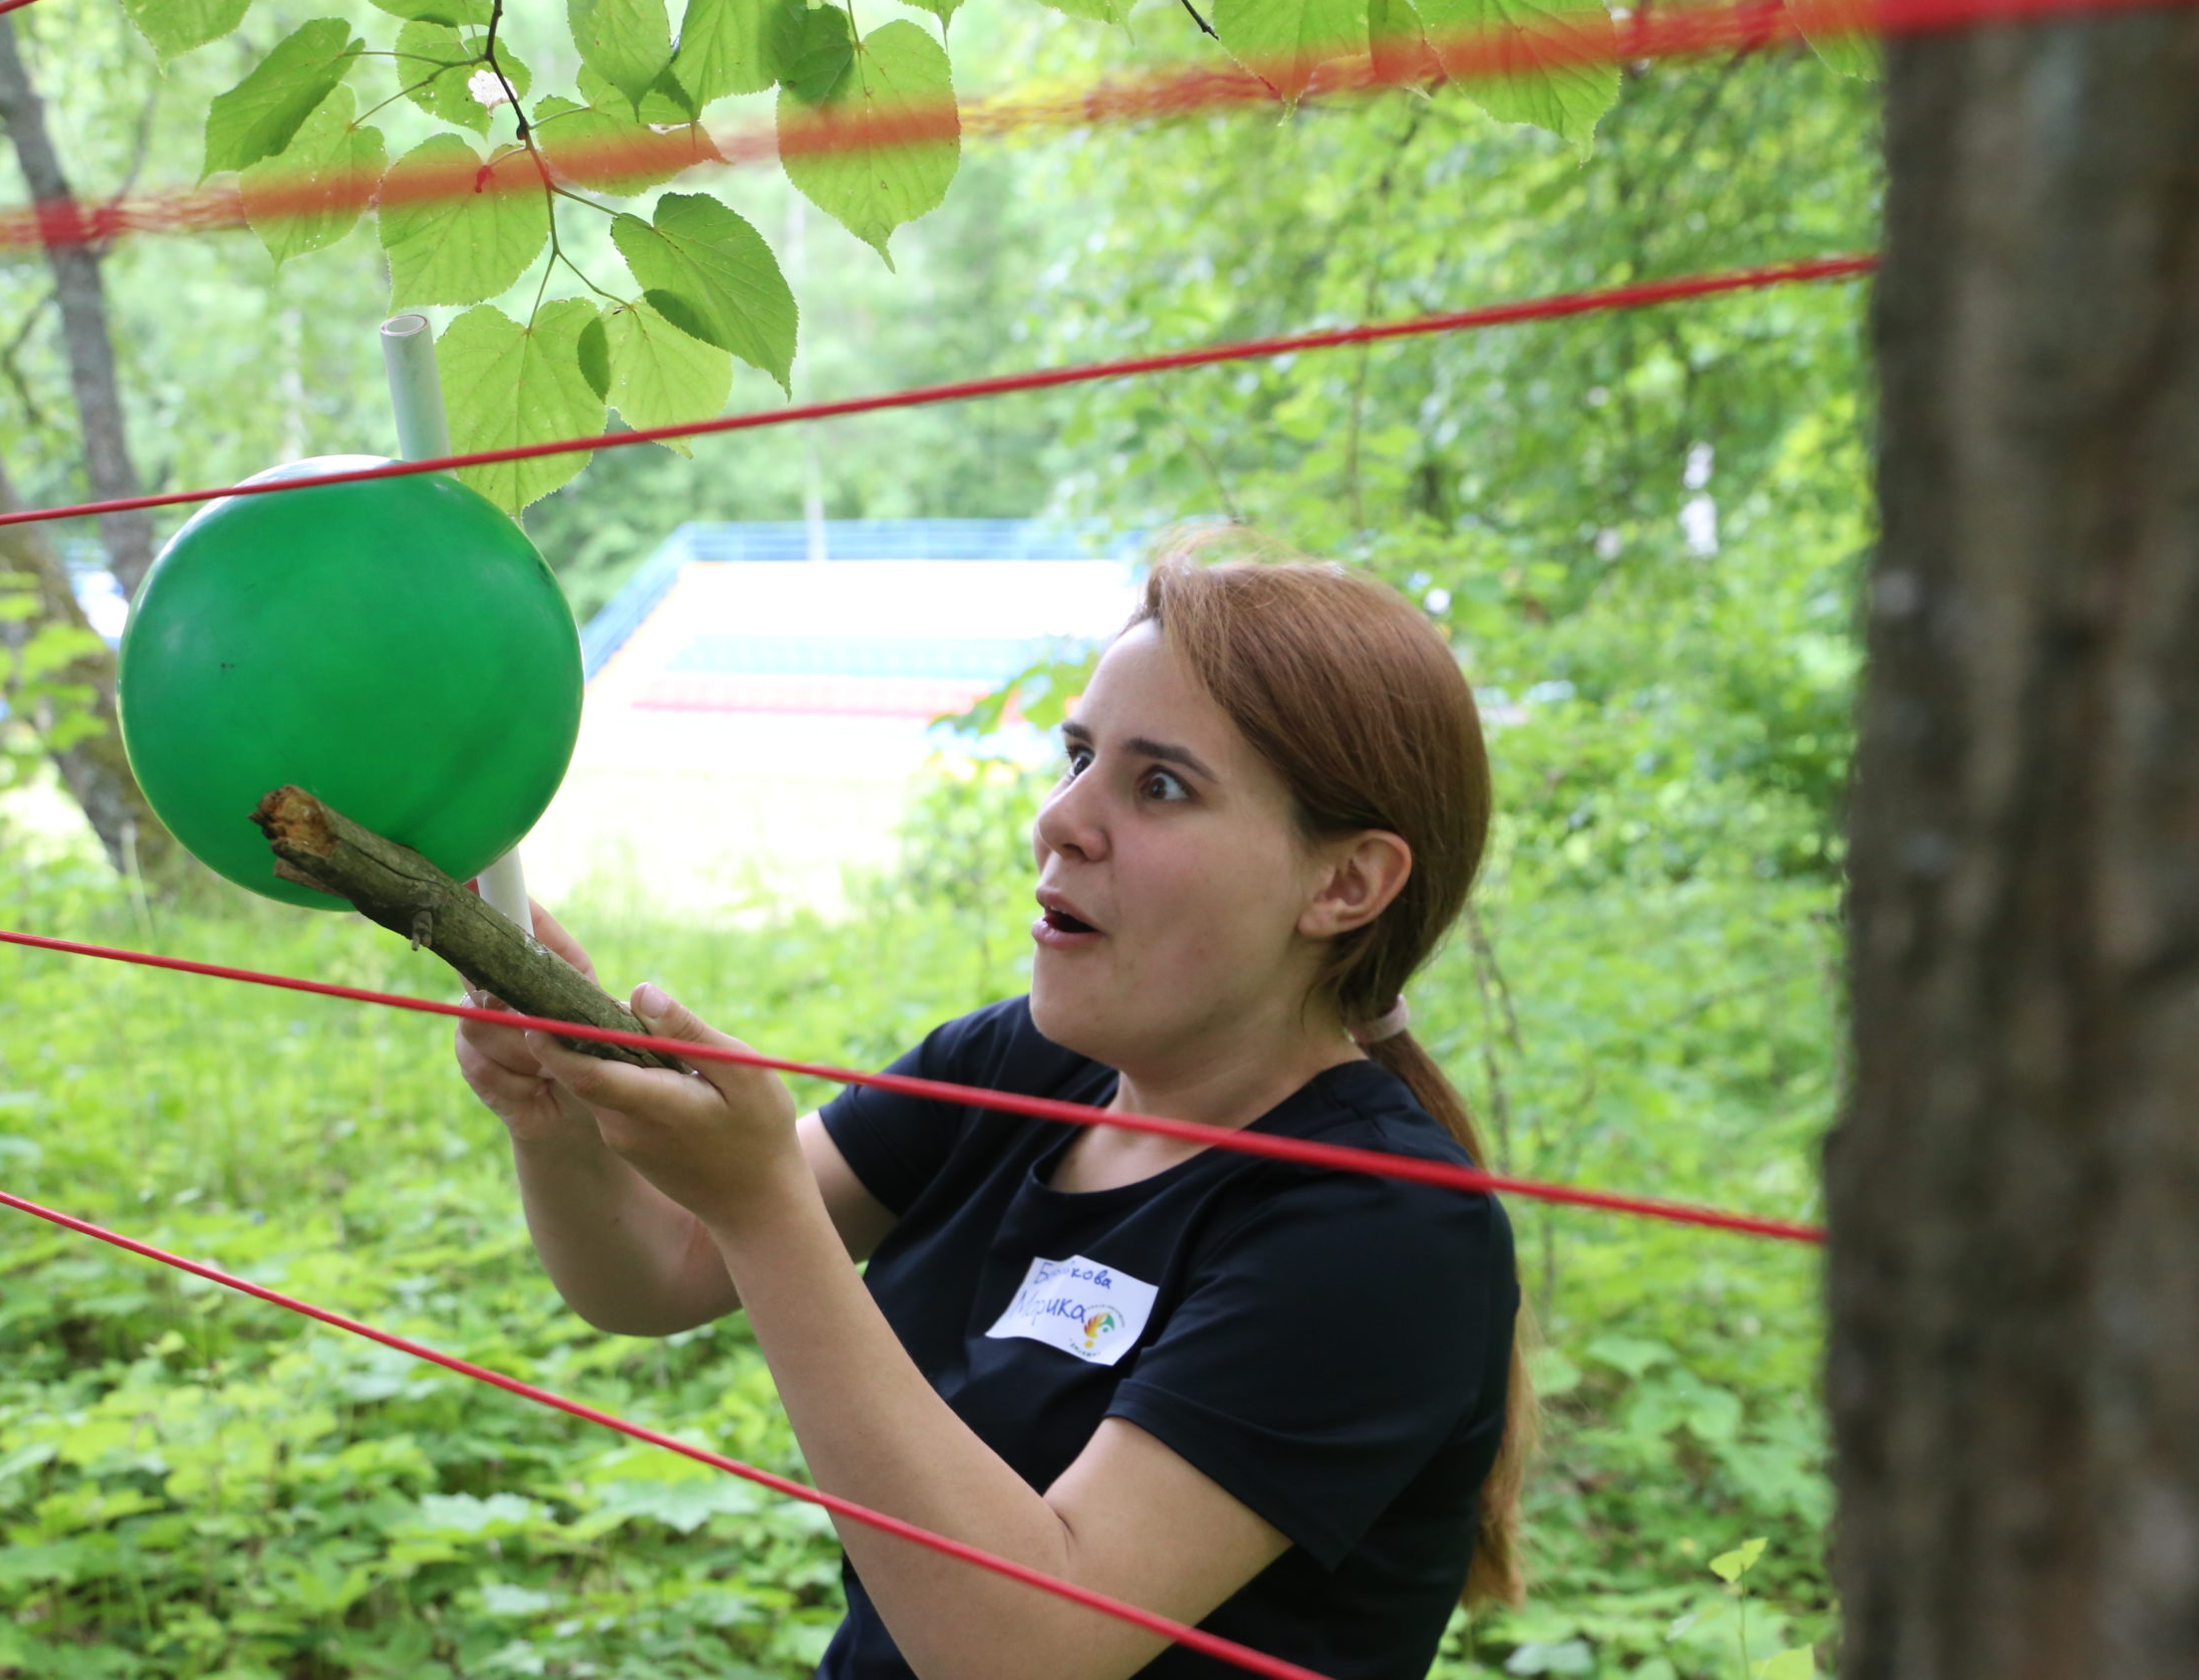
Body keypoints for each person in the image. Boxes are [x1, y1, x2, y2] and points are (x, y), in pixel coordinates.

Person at [455, 550, 1528, 1680]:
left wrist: (763, 1203)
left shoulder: (1384, 1227)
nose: (1060, 821)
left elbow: (1022, 1651)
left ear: (1344, 884)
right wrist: (561, 1122)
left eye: (1160, 786)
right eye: (1080, 758)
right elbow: (661, 1269)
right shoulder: (1020, 1064)